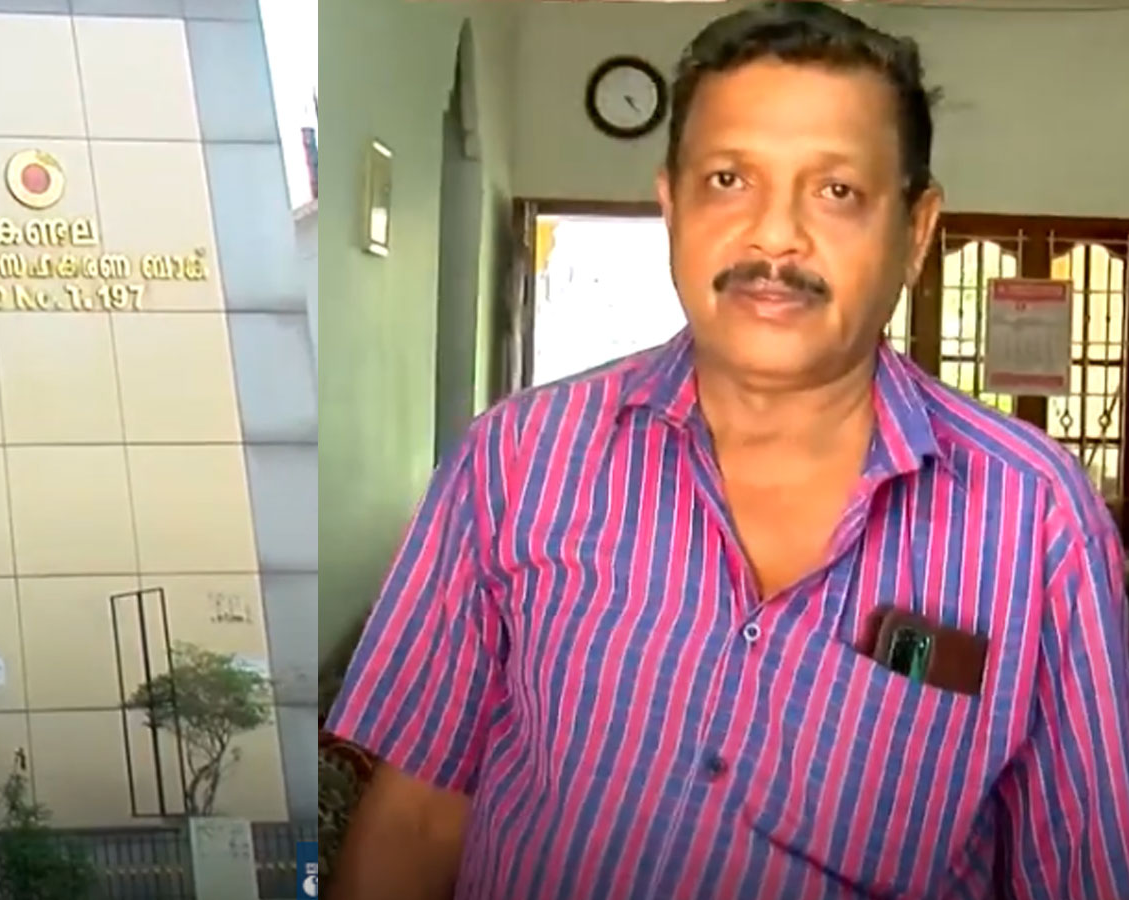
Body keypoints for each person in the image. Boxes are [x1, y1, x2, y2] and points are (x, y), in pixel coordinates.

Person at [324, 3, 1129, 899]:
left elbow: (1084, 873)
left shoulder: (1038, 521)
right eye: (727, 179)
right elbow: (416, 820)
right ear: (671, 204)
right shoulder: (516, 460)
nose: (774, 236)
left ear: (916, 230)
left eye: (836, 191)